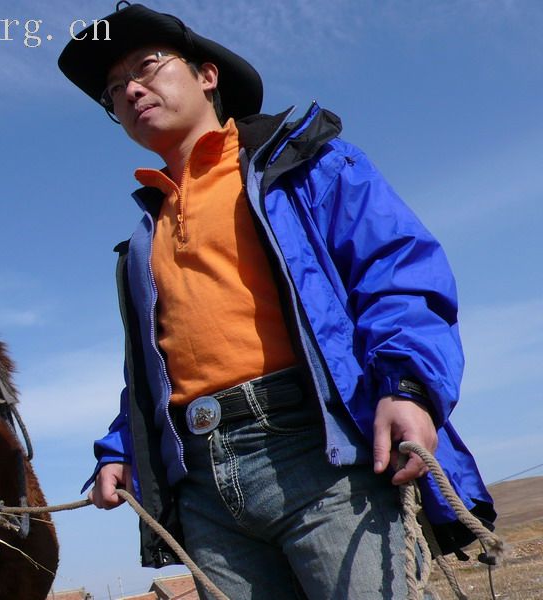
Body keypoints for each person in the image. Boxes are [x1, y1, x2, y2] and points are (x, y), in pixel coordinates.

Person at [58, 4, 495, 598]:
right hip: (202, 482)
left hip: (323, 454)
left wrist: (408, 385)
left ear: (207, 75)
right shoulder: (143, 238)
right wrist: (121, 451)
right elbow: (151, 369)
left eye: (147, 66)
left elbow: (394, 270)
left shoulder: (303, 163)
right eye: (114, 90)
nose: (130, 89)